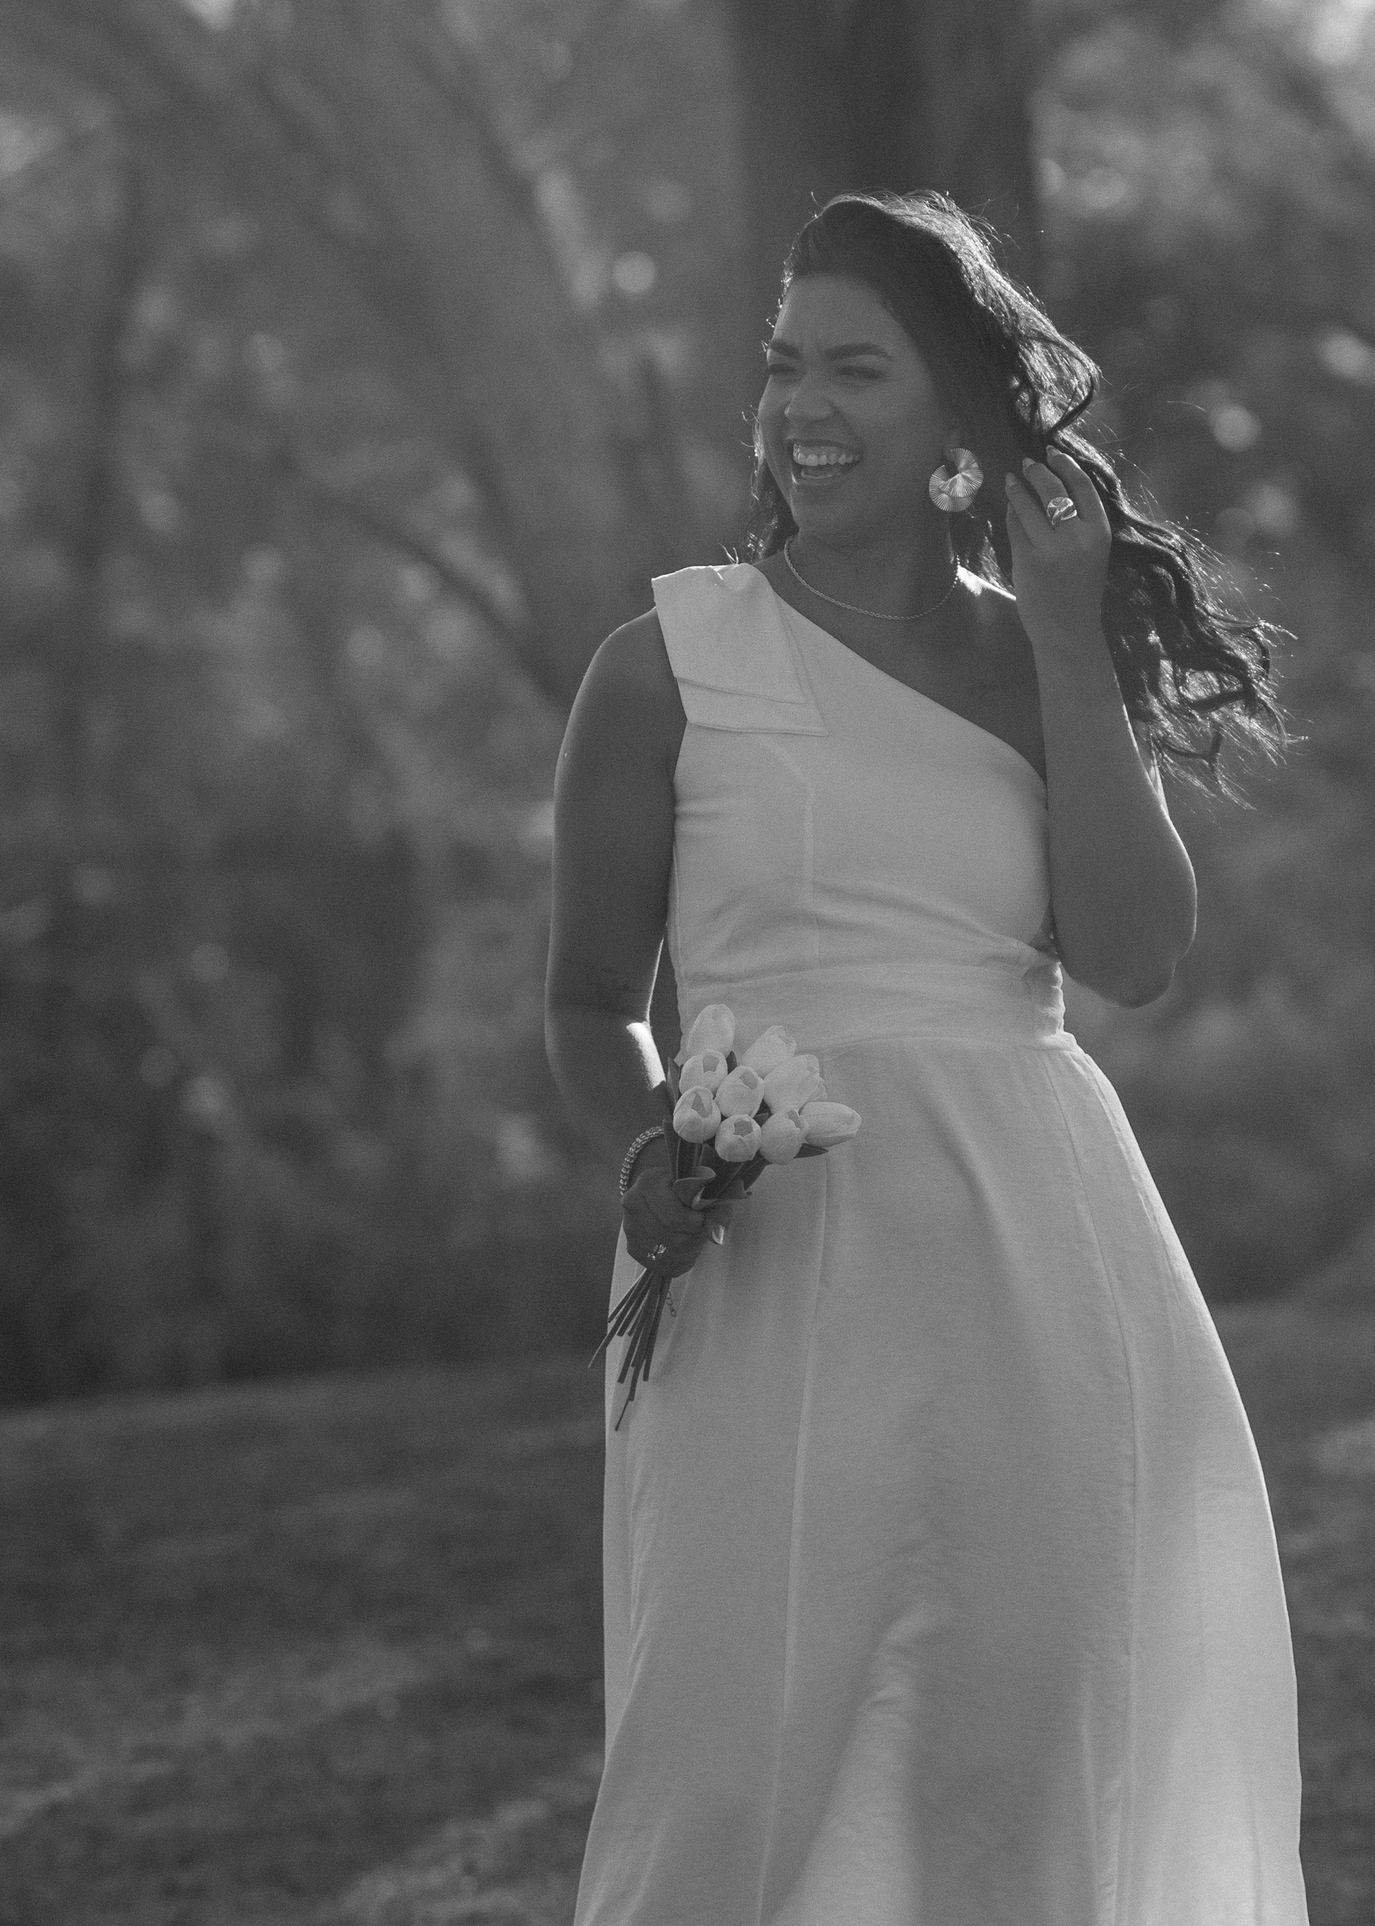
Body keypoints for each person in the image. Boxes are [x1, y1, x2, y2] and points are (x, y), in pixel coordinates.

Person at [545, 189, 1310, 1926]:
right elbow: (590, 1002)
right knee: (734, 1747)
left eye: (857, 370)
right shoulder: (665, 669)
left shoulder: (1044, 656)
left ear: (958, 418)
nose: (802, 406)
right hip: (768, 1263)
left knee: (1030, 1727)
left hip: (1036, 1252)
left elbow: (1136, 955)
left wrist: (1068, 637)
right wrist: (652, 1152)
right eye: (783, 366)